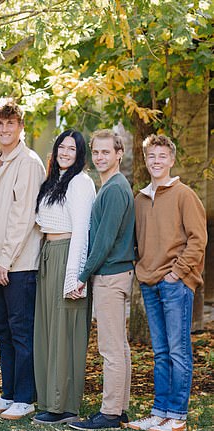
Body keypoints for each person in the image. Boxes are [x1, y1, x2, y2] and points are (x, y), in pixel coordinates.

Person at [128, 135, 207, 431]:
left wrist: (178, 272)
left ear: (171, 160)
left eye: (162, 156)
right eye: (152, 156)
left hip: (175, 284)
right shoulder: (140, 198)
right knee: (160, 352)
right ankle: (159, 411)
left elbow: (198, 239)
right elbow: (136, 240)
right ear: (146, 160)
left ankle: (177, 416)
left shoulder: (184, 194)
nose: (156, 161)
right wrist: (140, 267)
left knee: (178, 351)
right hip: (149, 282)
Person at [0, 99, 45, 420]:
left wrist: (4, 260)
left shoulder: (28, 163)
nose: (4, 129)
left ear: (20, 126)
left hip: (18, 264)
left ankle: (25, 397)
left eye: (10, 123)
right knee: (3, 331)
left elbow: (24, 217)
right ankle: (8, 394)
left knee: (21, 332)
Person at [69, 129, 135, 430]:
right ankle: (119, 409)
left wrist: (82, 275)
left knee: (110, 348)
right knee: (118, 347)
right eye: (95, 152)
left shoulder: (115, 189)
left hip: (111, 275)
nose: (99, 157)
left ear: (119, 153)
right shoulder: (110, 185)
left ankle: (109, 413)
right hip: (114, 274)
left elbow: (104, 240)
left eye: (106, 152)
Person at [32, 130, 96, 425]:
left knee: (64, 332)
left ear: (79, 153)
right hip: (49, 253)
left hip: (67, 254)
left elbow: (82, 230)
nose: (66, 152)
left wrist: (76, 277)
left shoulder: (81, 182)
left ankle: (64, 406)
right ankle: (48, 399)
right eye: (62, 146)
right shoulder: (53, 180)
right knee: (47, 329)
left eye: (72, 148)